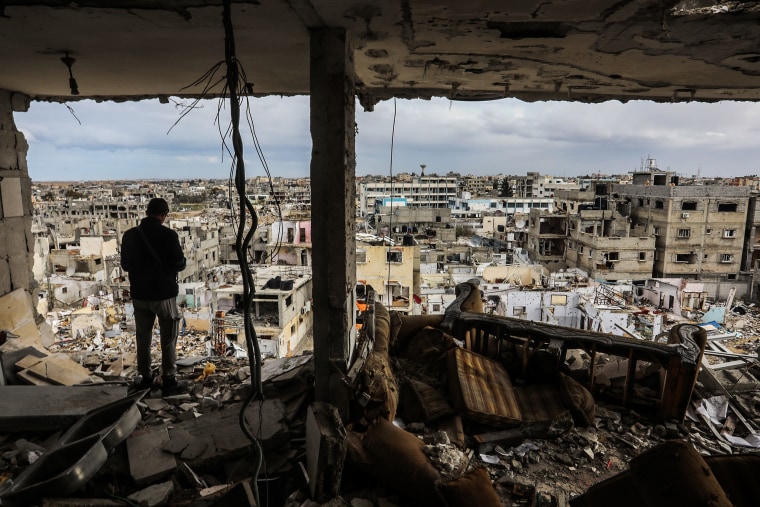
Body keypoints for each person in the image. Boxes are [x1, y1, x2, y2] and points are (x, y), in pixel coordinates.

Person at [121, 198, 188, 396]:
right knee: (168, 337)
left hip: (140, 294)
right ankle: (169, 379)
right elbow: (179, 264)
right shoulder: (168, 235)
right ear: (163, 214)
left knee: (143, 337)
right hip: (163, 295)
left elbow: (125, 266)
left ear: (147, 212)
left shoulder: (130, 235)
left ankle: (145, 377)